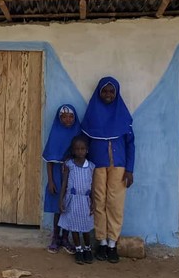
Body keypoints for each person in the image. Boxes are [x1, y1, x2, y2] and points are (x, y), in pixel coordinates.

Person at [81, 77, 135, 263]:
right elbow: (84, 143)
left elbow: (130, 144)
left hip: (119, 166)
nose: (108, 94)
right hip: (97, 165)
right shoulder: (92, 114)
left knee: (115, 203)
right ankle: (101, 241)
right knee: (98, 201)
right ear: (99, 92)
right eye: (104, 91)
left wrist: (130, 169)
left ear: (116, 93)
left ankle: (112, 243)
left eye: (112, 91)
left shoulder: (122, 115)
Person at [42, 104, 80, 254]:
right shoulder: (55, 134)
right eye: (63, 117)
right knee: (58, 207)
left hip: (73, 176)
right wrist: (51, 181)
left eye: (71, 116)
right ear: (59, 119)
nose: (67, 120)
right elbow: (49, 161)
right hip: (57, 177)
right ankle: (55, 238)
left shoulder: (77, 135)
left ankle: (65, 238)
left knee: (69, 207)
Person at [58, 135, 95, 264]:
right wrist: (61, 200)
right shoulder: (69, 165)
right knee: (74, 227)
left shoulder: (91, 167)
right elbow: (64, 183)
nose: (80, 151)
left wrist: (93, 202)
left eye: (82, 149)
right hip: (72, 201)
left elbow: (93, 186)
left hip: (85, 201)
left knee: (85, 227)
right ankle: (78, 249)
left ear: (87, 150)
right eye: (77, 149)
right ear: (73, 150)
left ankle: (87, 249)